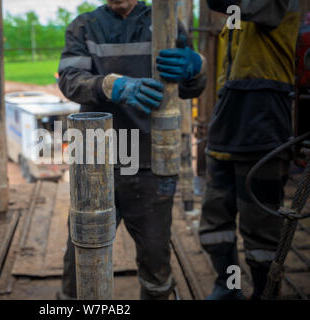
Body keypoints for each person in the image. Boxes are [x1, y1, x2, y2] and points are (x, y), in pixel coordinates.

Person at [57, 0, 207, 300]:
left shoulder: (164, 23)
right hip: (95, 162)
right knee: (80, 256)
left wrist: (196, 68)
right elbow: (70, 81)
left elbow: (191, 88)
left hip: (149, 160)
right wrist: (115, 86)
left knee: (155, 256)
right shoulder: (84, 26)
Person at [199, 0, 301, 300]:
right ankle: (228, 286)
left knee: (260, 227)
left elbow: (241, 6)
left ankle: (264, 293)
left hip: (263, 120)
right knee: (216, 218)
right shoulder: (235, 13)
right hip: (227, 119)